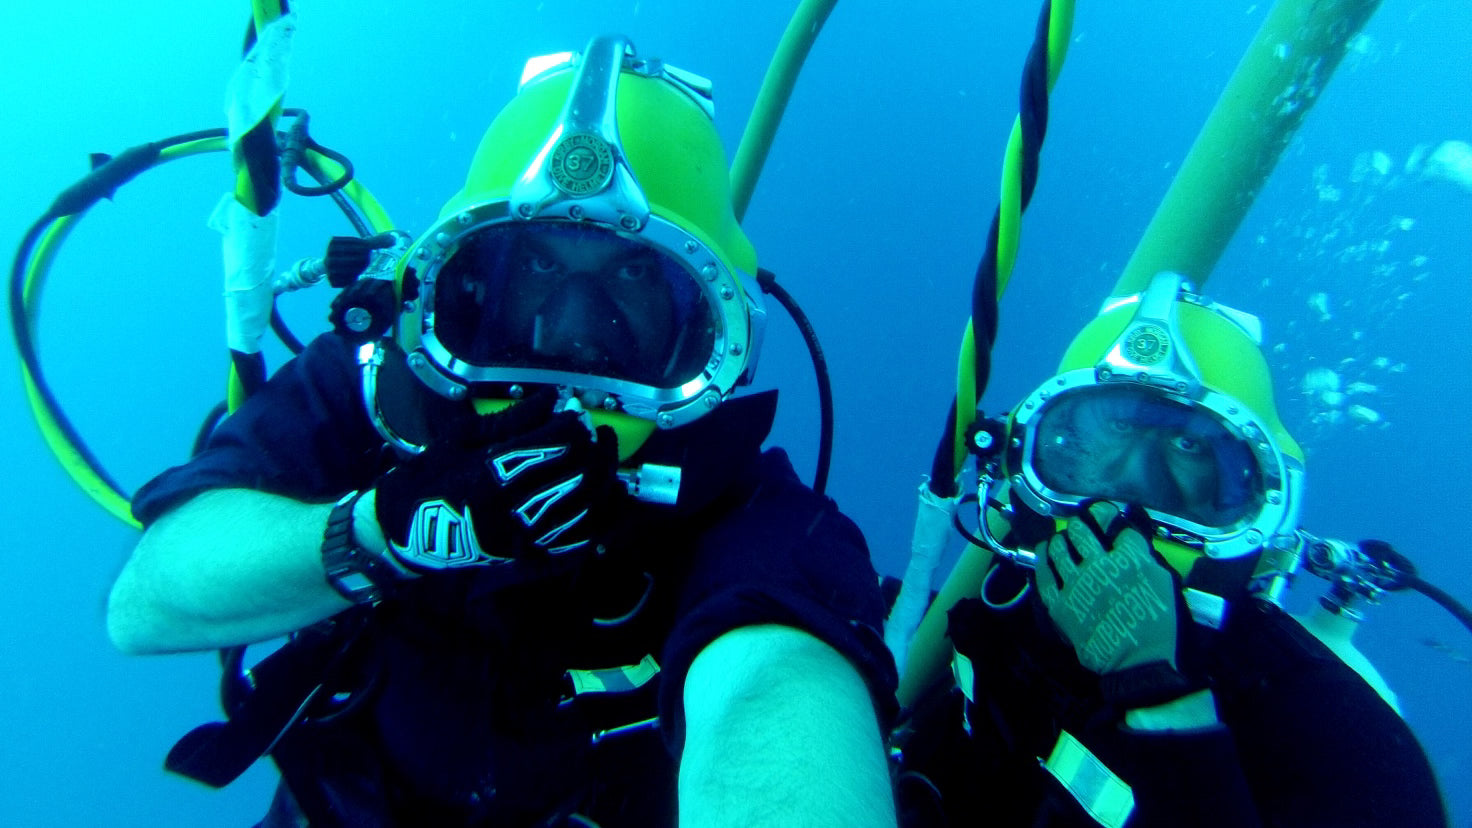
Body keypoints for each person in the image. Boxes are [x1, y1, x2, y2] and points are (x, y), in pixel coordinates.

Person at [107, 35, 899, 827]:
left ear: (707, 325)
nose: (574, 332)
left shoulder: (748, 514)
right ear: (459, 286)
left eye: (631, 275)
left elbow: (777, 684)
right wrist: (384, 530)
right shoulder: (371, 392)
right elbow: (146, 603)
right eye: (537, 271)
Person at [892, 271, 1447, 827]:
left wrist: (1158, 695)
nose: (1122, 499)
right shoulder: (1012, 583)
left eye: (1188, 446)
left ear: (1258, 504)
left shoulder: (1340, 747)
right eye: (1103, 435)